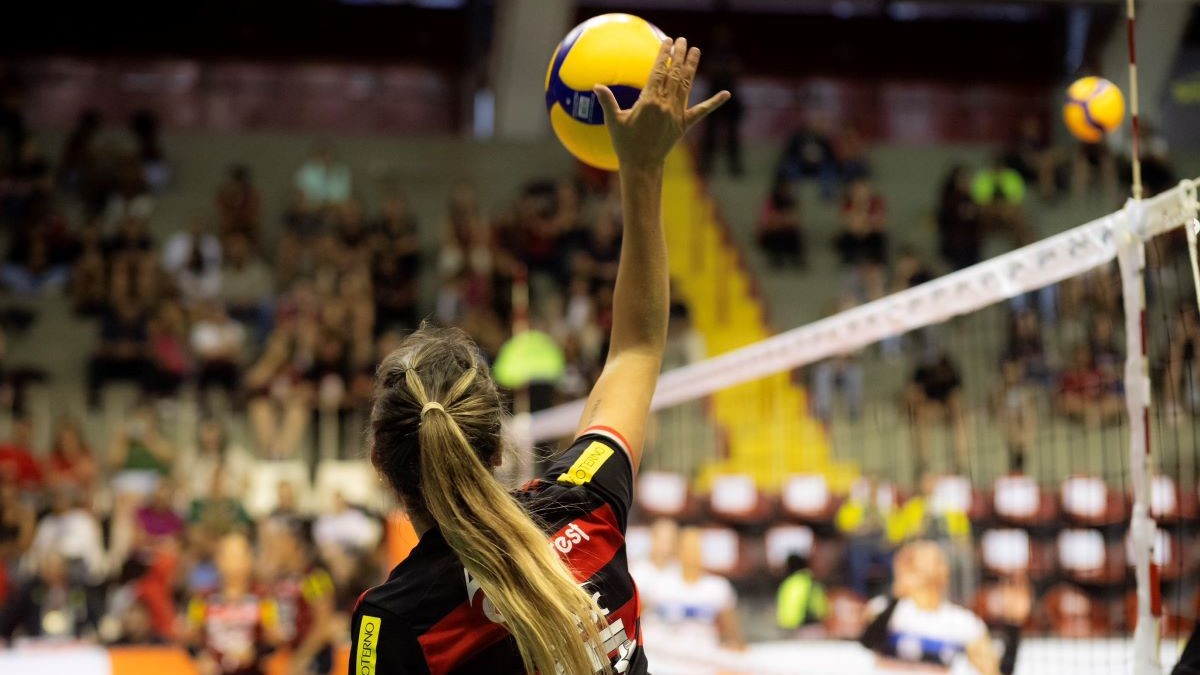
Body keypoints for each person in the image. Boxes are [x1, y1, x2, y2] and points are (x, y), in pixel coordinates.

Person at [348, 37, 728, 675]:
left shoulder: (390, 621)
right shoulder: (585, 500)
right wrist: (641, 171)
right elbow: (635, 348)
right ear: (497, 447)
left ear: (380, 467)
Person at [860, 541, 1028, 675]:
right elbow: (869, 642)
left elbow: (994, 672)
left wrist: (1013, 626)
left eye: (937, 561)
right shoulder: (883, 609)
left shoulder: (962, 622)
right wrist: (897, 595)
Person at [640, 527, 745, 655]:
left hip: (705, 656)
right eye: (688, 549)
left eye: (697, 549)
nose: (692, 554)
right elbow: (637, 620)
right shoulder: (658, 584)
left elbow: (732, 631)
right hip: (666, 657)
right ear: (679, 552)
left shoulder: (718, 587)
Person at [186, 532, 279, 675]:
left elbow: (274, 640)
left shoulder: (264, 598)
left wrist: (255, 654)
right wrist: (200, 658)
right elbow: (189, 638)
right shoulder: (201, 599)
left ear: (249, 560)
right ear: (218, 561)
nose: (234, 563)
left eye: (239, 556)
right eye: (228, 557)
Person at [266, 521, 335, 675]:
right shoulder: (279, 580)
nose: (274, 550)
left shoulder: (315, 577)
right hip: (287, 657)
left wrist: (301, 658)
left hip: (312, 659)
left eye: (279, 544)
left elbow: (323, 625)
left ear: (293, 545)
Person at [776, 553, 828, 636]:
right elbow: (820, 607)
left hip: (793, 628)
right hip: (809, 627)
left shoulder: (789, 582)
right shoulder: (810, 581)